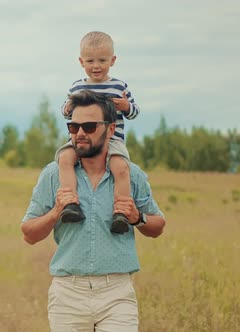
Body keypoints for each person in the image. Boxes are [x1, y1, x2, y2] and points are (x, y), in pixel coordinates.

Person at [21, 90, 166, 331]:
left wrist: (137, 218)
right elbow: (28, 233)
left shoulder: (131, 175)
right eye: (73, 127)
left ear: (110, 130)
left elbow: (158, 226)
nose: (79, 133)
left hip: (117, 293)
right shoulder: (53, 174)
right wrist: (56, 211)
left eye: (89, 126)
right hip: (68, 294)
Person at [57, 31, 140, 234]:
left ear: (112, 60)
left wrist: (126, 106)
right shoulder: (77, 87)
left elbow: (135, 112)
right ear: (81, 61)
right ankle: (70, 204)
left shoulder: (119, 86)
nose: (96, 66)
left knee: (120, 167)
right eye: (90, 61)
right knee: (65, 158)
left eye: (102, 60)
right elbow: (66, 111)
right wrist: (67, 108)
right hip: (80, 139)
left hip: (112, 140)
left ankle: (120, 212)